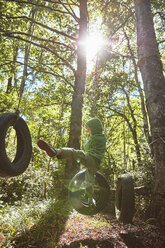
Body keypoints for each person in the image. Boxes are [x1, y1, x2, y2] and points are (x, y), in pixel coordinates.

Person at [37, 117, 106, 175]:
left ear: (95, 129)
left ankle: (57, 151)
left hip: (92, 161)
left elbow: (90, 148)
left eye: (89, 129)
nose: (87, 131)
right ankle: (86, 191)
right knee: (88, 182)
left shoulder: (99, 138)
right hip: (93, 164)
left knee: (74, 153)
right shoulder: (94, 137)